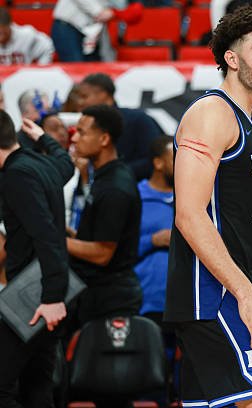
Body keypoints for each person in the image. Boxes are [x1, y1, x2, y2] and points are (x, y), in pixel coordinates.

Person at [164, 5, 252, 407]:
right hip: (215, 299)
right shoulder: (213, 113)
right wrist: (247, 298)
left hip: (227, 296)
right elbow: (190, 215)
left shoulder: (244, 122)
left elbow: (237, 240)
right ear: (232, 58)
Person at [0, 112, 73, 408]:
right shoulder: (42, 163)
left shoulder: (16, 175)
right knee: (36, 388)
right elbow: (67, 164)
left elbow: (46, 236)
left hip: (34, 297)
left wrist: (52, 297)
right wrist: (44, 138)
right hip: (42, 293)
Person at [67, 104, 142, 327]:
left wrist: (55, 240)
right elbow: (96, 235)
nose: (74, 139)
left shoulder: (115, 188)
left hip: (111, 301)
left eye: (82, 133)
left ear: (104, 139)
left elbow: (102, 253)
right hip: (95, 293)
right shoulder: (104, 176)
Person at [79, 72, 163, 180]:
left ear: (103, 94)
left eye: (85, 96)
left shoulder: (138, 119)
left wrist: (116, 174)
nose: (81, 102)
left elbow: (155, 158)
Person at [135, 136, 174, 322]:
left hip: (187, 305)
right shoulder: (135, 197)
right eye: (175, 159)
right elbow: (116, 249)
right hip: (144, 302)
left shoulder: (194, 200)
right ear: (158, 163)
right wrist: (152, 240)